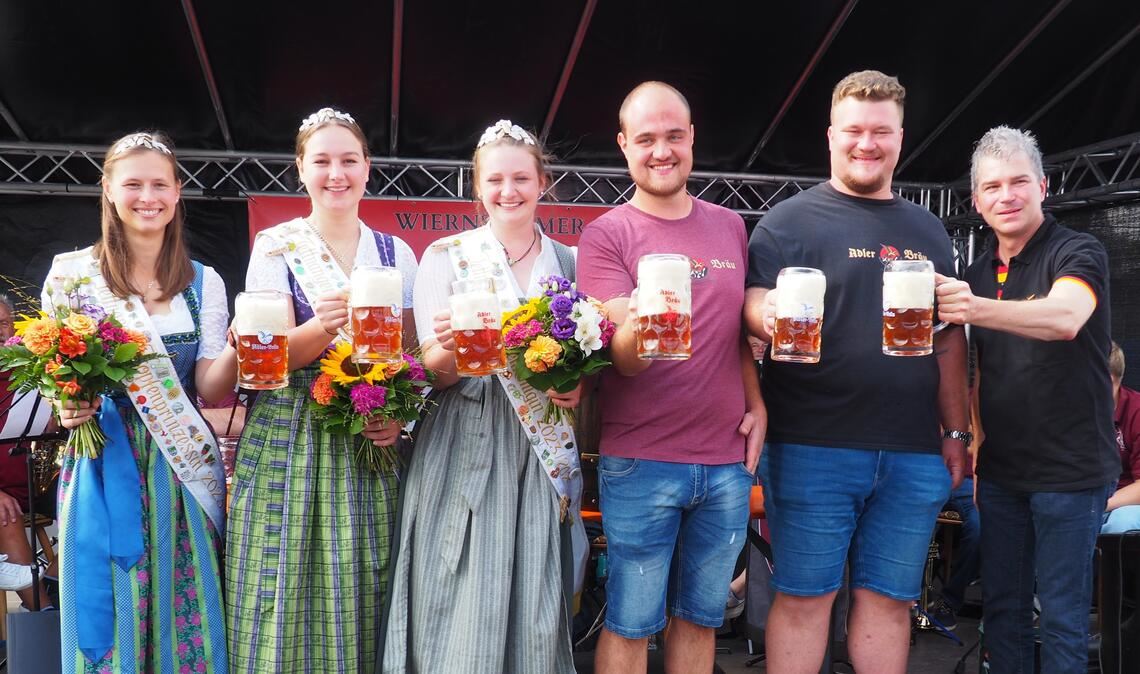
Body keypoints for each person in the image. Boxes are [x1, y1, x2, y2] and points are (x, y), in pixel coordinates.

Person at [744, 70, 969, 674]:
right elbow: (747, 320)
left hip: (914, 451)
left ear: (901, 138)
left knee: (891, 603)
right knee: (804, 598)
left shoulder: (929, 230)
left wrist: (956, 433)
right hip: (811, 444)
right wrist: (763, 315)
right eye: (853, 131)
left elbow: (949, 342)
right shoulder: (784, 226)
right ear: (830, 136)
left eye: (880, 132)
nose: (866, 143)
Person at [383, 120, 582, 674]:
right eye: (494, 179)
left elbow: (581, 364)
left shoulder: (569, 262)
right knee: (459, 591)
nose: (508, 191)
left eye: (521, 177)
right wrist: (448, 349)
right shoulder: (445, 256)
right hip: (464, 437)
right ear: (476, 188)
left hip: (538, 447)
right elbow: (432, 373)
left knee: (536, 599)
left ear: (543, 182)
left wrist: (573, 381)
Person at [577, 81, 763, 674]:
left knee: (702, 620)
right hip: (641, 458)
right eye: (647, 139)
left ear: (692, 139)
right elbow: (622, 360)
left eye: (674, 136)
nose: (662, 151)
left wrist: (758, 405)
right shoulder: (607, 234)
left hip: (725, 461)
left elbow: (735, 335)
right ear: (624, 146)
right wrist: (649, 318)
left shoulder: (731, 224)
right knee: (632, 623)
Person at [225, 108, 417, 674]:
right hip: (292, 428)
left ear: (368, 169)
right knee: (279, 578)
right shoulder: (277, 246)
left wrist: (397, 418)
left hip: (364, 430)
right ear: (301, 170)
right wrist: (322, 327)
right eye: (323, 161)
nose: (337, 174)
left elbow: (407, 359)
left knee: (362, 577)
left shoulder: (396, 253)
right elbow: (269, 363)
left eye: (349, 161)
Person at [48, 131, 236, 672]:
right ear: (108, 189)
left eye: (159, 184)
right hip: (103, 462)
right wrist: (66, 404)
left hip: (181, 469)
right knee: (111, 598)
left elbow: (210, 386)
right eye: (132, 184)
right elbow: (57, 377)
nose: (146, 196)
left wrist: (245, 346)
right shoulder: (72, 274)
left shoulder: (205, 283)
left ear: (178, 193)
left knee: (187, 608)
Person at [935, 125, 1118, 673]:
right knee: (1004, 612)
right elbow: (977, 375)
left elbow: (1064, 318)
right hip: (1002, 474)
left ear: (1043, 185)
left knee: (1061, 618)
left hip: (1071, 471)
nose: (1006, 196)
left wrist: (972, 310)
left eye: (1018, 182)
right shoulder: (977, 271)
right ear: (976, 201)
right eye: (992, 187)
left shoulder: (1077, 249)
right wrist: (967, 442)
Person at [1104, 341, 1140, 533]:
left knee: (1121, 522)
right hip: (1078, 499)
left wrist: (1095, 506)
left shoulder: (1137, 411)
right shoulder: (1067, 410)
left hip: (1124, 504)